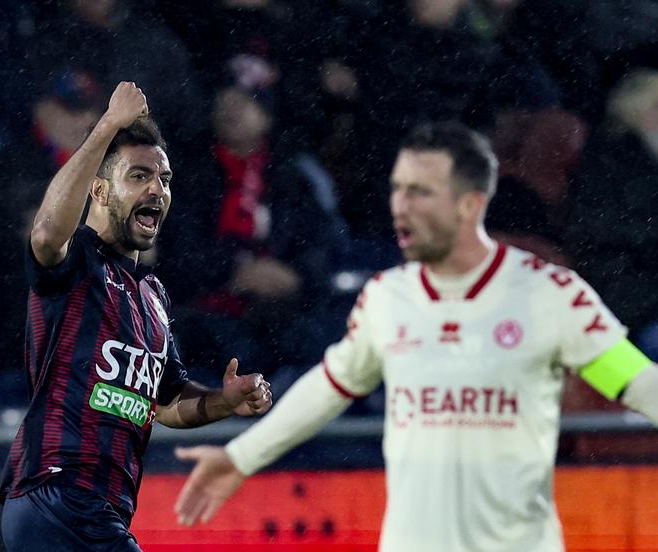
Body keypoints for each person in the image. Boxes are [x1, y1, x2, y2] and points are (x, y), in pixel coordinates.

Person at [173, 122, 658, 552]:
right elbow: (329, 386)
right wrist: (241, 456)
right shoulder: (388, 297)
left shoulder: (547, 293)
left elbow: (635, 381)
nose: (401, 206)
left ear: (470, 204)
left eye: (421, 192)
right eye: (398, 189)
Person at [0, 81, 273, 552]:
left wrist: (224, 401)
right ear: (100, 191)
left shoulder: (153, 296)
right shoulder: (78, 260)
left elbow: (167, 402)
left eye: (164, 179)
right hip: (57, 492)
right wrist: (108, 124)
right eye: (140, 175)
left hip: (96, 508)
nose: (157, 189)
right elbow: (45, 233)